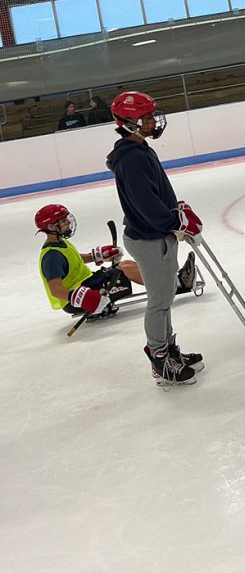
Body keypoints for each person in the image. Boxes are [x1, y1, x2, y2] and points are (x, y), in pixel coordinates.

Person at [106, 90, 204, 387]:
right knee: (159, 301)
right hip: (150, 238)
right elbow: (145, 203)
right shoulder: (132, 158)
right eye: (147, 117)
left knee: (165, 297)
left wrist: (176, 211)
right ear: (130, 120)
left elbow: (155, 192)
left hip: (156, 234)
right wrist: (175, 221)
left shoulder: (140, 149)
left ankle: (169, 349)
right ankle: (160, 359)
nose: (153, 121)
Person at [36, 203, 197, 316]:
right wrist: (84, 299)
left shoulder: (58, 244)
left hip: (86, 284)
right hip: (78, 297)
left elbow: (72, 260)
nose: (68, 223)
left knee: (125, 264)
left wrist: (96, 256)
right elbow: (55, 289)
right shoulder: (51, 256)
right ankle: (177, 284)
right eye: (63, 221)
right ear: (51, 227)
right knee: (125, 269)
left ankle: (171, 281)